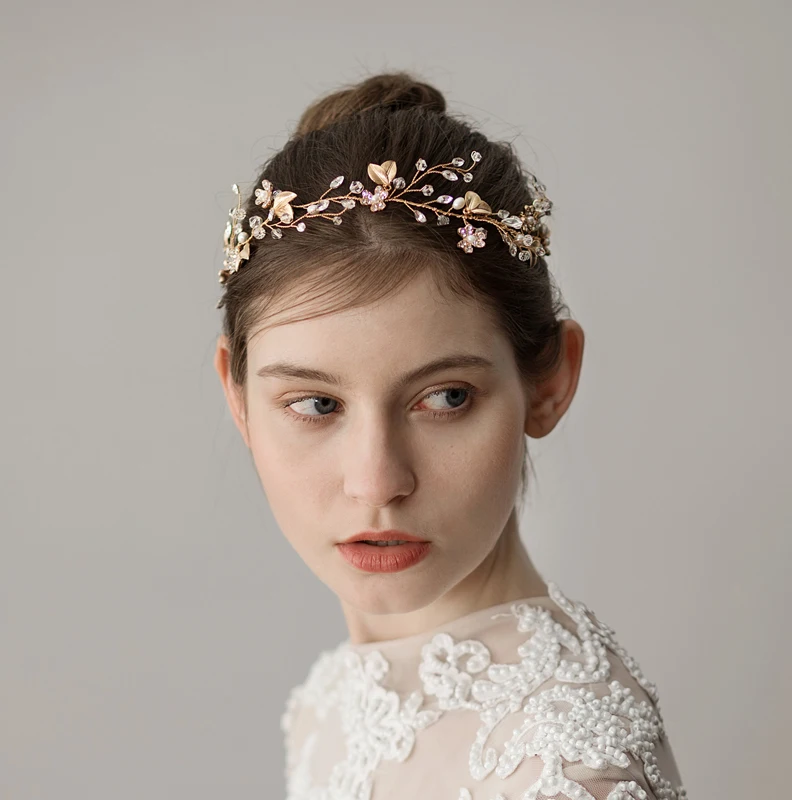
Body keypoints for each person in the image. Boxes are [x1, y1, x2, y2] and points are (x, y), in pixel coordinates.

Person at [213, 71, 687, 800]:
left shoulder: (572, 767)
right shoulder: (328, 702)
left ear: (550, 381)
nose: (377, 481)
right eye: (315, 404)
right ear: (238, 399)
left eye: (446, 397)